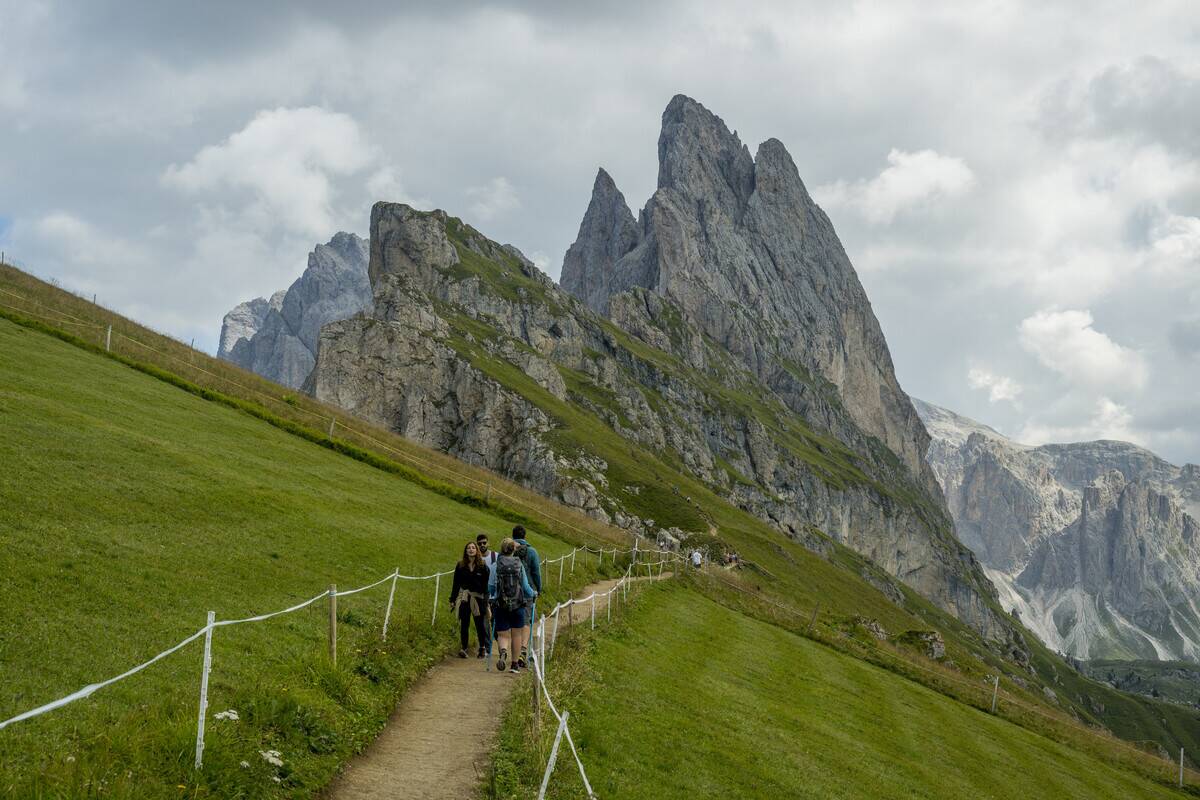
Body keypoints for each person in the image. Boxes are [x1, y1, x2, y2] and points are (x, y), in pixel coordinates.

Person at [488, 537, 537, 673]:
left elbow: (491, 588)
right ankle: (514, 665)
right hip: (518, 605)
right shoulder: (519, 565)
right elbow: (526, 588)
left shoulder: (495, 565)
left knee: (503, 634)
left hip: (501, 605)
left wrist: (493, 594)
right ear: (513, 550)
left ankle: (503, 651)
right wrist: (533, 593)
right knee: (516, 635)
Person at [449, 542, 491, 658]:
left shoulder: (483, 567)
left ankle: (482, 647)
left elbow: (485, 586)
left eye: (473, 548)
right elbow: (456, 584)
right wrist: (452, 599)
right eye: (468, 548)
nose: (471, 550)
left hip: (478, 598)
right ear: (465, 551)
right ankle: (464, 648)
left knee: (479, 624)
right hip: (465, 597)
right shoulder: (460, 566)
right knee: (464, 623)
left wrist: (486, 602)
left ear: (477, 551)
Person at [512, 525, 542, 669]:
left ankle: (512, 652)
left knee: (513, 620)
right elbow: (536, 572)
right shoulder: (532, 552)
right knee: (526, 621)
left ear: (513, 536)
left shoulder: (508, 550)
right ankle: (523, 649)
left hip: (510, 591)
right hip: (528, 590)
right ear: (525, 536)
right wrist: (538, 588)